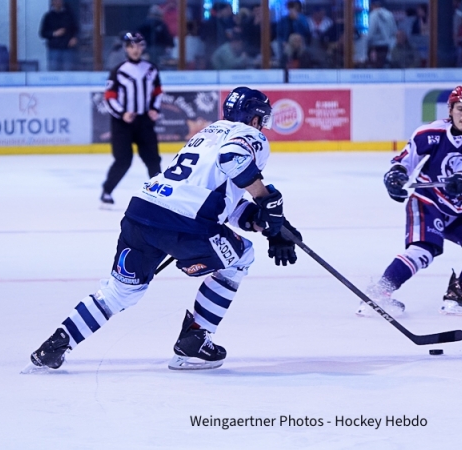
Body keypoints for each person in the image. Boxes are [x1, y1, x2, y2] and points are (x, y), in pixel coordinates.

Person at [25, 87, 302, 372]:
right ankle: (194, 341)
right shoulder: (250, 136)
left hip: (142, 214)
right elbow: (233, 159)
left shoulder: (205, 135)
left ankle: (55, 345)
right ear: (255, 119)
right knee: (241, 257)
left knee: (119, 293)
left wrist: (264, 221)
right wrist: (264, 197)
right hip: (185, 225)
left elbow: (220, 200)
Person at [361, 86, 462, 317]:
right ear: (450, 109)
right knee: (424, 250)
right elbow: (404, 162)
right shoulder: (429, 133)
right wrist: (395, 176)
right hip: (428, 201)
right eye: (460, 109)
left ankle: (460, 291)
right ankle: (379, 293)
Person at [101, 33, 163, 207]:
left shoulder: (151, 69)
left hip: (144, 121)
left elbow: (157, 92)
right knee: (123, 160)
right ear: (126, 48)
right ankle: (107, 191)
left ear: (143, 47)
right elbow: (109, 97)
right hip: (123, 124)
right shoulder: (118, 71)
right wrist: (122, 113)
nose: (136, 50)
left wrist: (154, 109)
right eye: (131, 46)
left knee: (153, 159)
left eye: (139, 46)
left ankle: (159, 194)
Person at [39, 0, 79, 71]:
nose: (58, 2)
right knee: (54, 73)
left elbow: (76, 29)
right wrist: (54, 33)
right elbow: (42, 33)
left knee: (68, 73)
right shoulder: (48, 16)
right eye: (55, 1)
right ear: (52, 3)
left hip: (68, 49)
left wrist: (74, 38)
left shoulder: (69, 15)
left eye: (59, 1)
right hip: (54, 49)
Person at [366, 1, 397, 69]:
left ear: (372, 5)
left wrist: (364, 41)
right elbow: (394, 31)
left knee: (376, 67)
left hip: (376, 47)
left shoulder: (373, 15)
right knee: (385, 66)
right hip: (388, 46)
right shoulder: (389, 14)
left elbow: (370, 33)